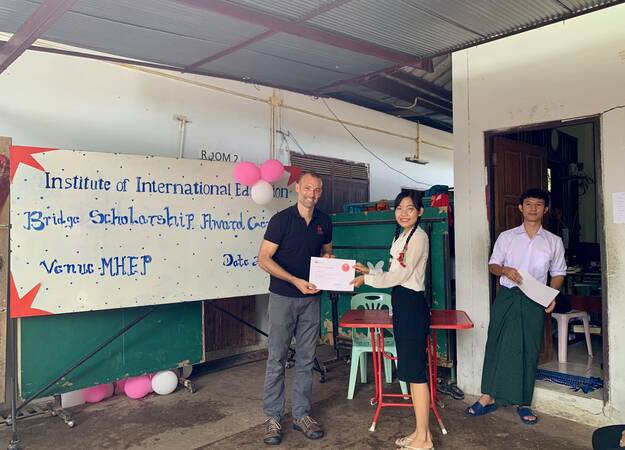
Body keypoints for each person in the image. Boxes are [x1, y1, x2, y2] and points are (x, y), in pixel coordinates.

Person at [465, 188, 566, 425]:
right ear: (520, 208)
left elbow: (559, 272)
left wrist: (551, 295)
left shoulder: (553, 241)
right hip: (508, 296)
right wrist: (504, 270)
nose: (533, 209)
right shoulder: (507, 237)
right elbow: (492, 265)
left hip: (535, 299)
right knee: (496, 343)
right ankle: (487, 397)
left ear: (545, 209)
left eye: (539, 205)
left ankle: (523, 403)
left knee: (528, 349)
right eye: (528, 204)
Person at [352, 191, 433, 450]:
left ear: (420, 212)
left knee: (416, 374)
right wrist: (369, 271)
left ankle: (425, 439)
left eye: (410, 208)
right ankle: (420, 432)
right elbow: (394, 273)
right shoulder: (402, 235)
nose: (404, 213)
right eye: (399, 208)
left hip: (411, 304)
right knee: (410, 370)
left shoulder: (418, 237)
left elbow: (401, 276)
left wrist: (367, 280)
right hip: (402, 301)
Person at [257, 172, 333, 446]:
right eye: (308, 188)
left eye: (317, 190)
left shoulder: (324, 221)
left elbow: (327, 251)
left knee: (306, 359)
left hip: (311, 300)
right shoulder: (281, 220)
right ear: (298, 189)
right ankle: (273, 417)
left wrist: (328, 262)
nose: (312, 194)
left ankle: (301, 414)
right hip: (283, 298)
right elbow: (263, 259)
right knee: (276, 359)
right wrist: (294, 281)